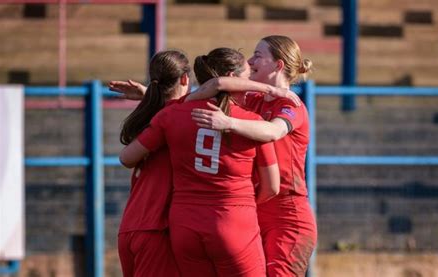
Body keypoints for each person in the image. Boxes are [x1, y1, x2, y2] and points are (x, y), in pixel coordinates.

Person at [111, 35, 317, 276]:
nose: (250, 62)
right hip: (251, 210)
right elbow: (215, 87)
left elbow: (273, 131)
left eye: (258, 56)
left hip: (286, 212)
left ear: (278, 65)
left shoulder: (290, 105)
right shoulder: (252, 100)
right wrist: (152, 94)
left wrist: (228, 122)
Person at [117, 50, 191, 277]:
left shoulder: (154, 114)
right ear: (185, 79)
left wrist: (148, 95)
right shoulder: (180, 118)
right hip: (156, 230)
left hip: (131, 226)